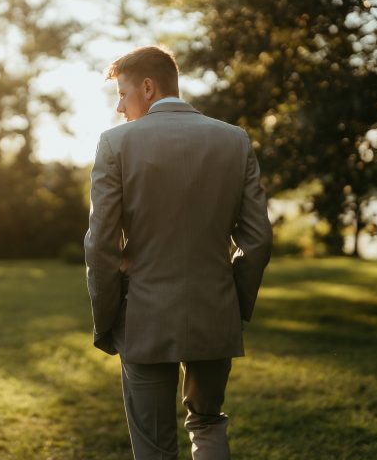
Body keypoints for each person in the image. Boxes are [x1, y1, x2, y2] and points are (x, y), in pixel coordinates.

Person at [84, 45, 272, 459]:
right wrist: (231, 303)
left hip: (144, 317)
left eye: (122, 93)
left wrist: (107, 318)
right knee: (207, 423)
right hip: (213, 313)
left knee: (154, 447)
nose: (119, 107)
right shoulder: (234, 140)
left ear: (147, 87)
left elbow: (101, 245)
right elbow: (257, 240)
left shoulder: (115, 144)